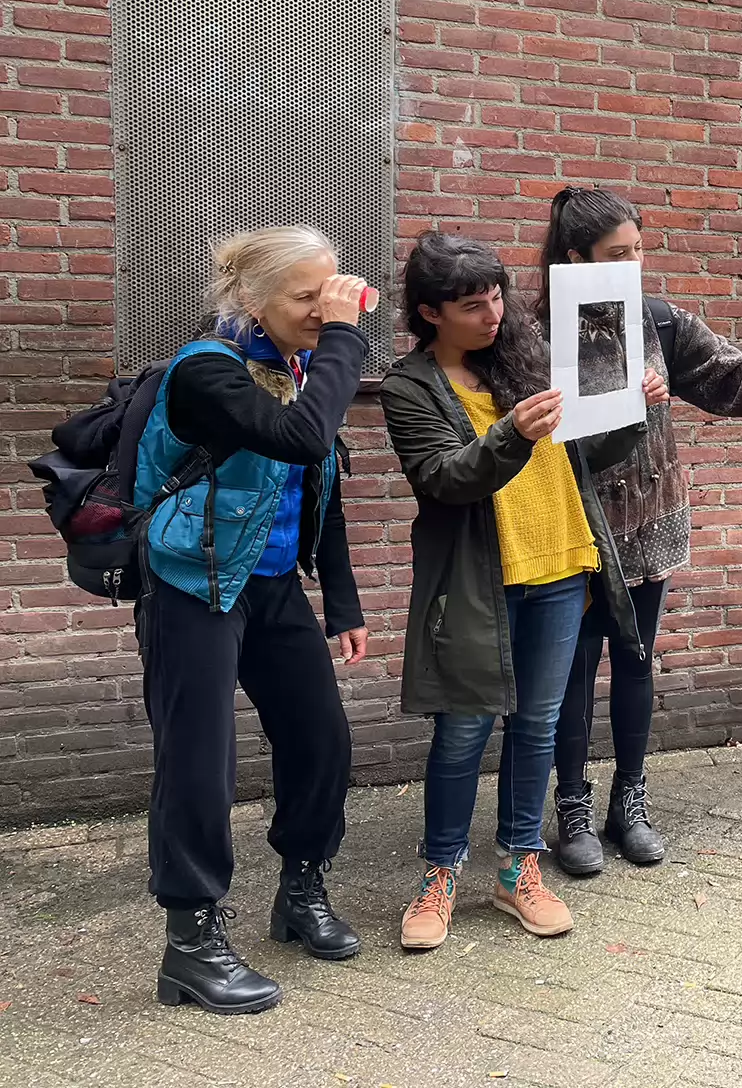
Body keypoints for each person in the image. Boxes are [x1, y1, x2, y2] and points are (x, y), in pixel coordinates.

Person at [543, 188, 742, 876]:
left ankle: (629, 800)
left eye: (637, 250)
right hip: (575, 528)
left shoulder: (658, 320)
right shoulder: (538, 333)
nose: (632, 264)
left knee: (634, 661)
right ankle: (570, 806)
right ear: (574, 259)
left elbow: (733, 380)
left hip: (650, 521)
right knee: (569, 673)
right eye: (615, 254)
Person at [378, 234, 658, 950]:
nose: (493, 315)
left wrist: (630, 410)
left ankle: (517, 871)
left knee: (537, 726)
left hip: (562, 566)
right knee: (464, 729)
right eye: (473, 306)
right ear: (431, 313)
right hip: (480, 582)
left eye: (497, 297)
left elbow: (585, 453)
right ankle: (439, 875)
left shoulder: (523, 359)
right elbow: (444, 479)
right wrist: (510, 433)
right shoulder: (411, 386)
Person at [134, 225, 369, 1015]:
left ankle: (299, 891)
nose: (324, 306)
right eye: (306, 296)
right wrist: (344, 337)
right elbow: (303, 436)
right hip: (194, 583)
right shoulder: (207, 371)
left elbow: (321, 480)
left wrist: (343, 602)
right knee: (200, 760)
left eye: (330, 289)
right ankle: (191, 944)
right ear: (252, 302)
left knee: (321, 739)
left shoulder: (299, 369)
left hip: (268, 585)